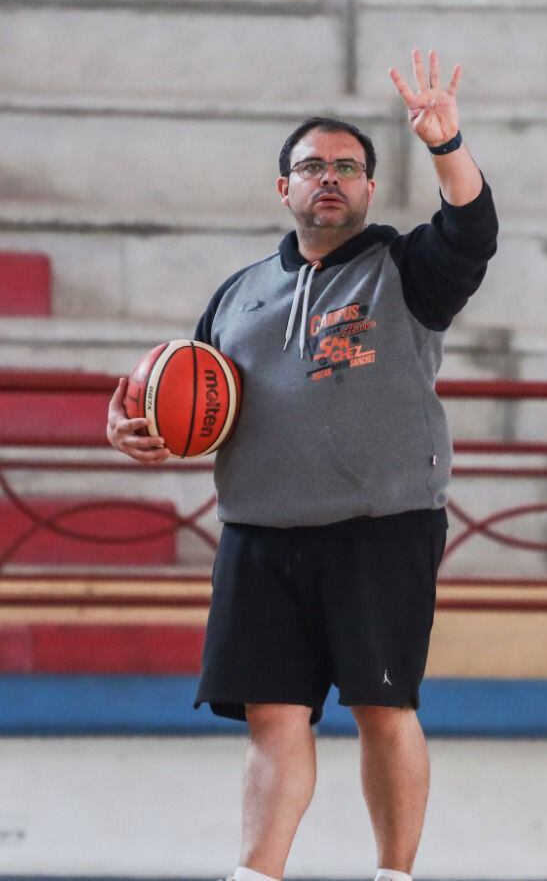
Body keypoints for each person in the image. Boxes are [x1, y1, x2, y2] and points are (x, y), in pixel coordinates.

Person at [106, 49, 497, 881]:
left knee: (383, 708)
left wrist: (446, 142)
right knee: (272, 719)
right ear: (281, 188)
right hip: (259, 532)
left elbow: (473, 229)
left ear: (368, 188)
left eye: (347, 167)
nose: (329, 178)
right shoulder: (237, 293)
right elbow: (183, 397)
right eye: (311, 166)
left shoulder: (407, 269)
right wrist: (130, 421)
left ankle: (393, 875)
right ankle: (256, 876)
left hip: (381, 525)